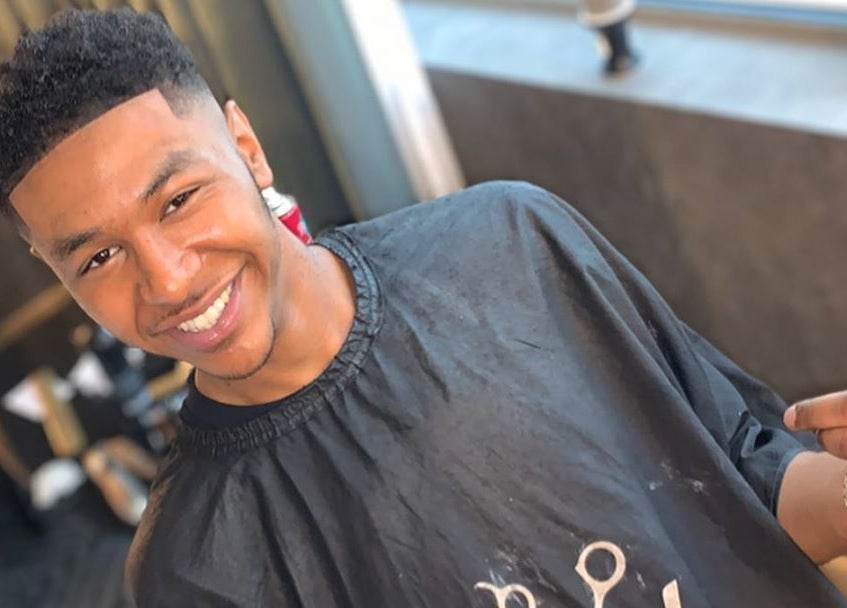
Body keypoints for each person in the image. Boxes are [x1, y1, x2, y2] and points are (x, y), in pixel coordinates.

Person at [1, 8, 846, 608]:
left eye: (180, 199)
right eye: (98, 257)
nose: (169, 281)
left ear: (247, 149)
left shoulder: (510, 240)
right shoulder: (195, 565)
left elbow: (743, 480)